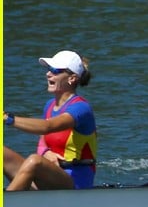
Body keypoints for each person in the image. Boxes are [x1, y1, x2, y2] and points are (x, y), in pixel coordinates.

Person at [4, 50, 98, 191]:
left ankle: (6, 204)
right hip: (48, 178)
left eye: (55, 70)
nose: (48, 74)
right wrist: (46, 153)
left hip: (76, 182)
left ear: (71, 78)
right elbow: (42, 142)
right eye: (48, 70)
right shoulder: (49, 105)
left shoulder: (81, 108)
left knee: (34, 161)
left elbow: (48, 127)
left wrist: (6, 118)